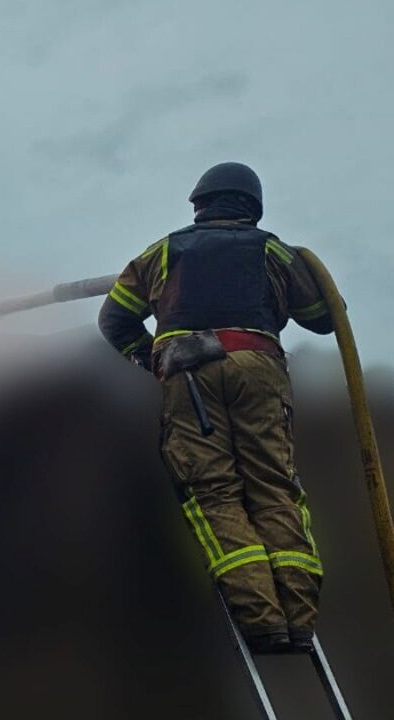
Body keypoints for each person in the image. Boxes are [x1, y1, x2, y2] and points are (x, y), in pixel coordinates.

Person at [98, 162, 334, 653]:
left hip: (189, 373)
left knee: (215, 493)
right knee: (274, 488)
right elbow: (323, 318)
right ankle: (299, 619)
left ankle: (261, 619)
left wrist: (151, 360)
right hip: (260, 368)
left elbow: (114, 317)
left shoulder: (164, 251)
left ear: (199, 205)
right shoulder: (274, 250)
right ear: (251, 207)